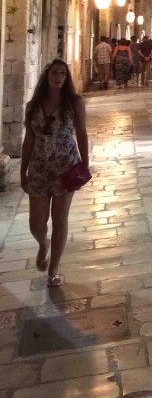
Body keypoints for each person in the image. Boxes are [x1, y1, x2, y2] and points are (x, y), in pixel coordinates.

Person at [20, 59, 90, 288]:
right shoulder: (34, 106)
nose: (58, 77)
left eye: (63, 73)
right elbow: (29, 139)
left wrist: (85, 165)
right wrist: (23, 170)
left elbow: (81, 133)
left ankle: (54, 269)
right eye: (54, 73)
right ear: (47, 76)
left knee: (60, 219)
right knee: (36, 222)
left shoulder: (75, 103)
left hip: (66, 167)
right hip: (39, 169)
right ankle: (43, 243)